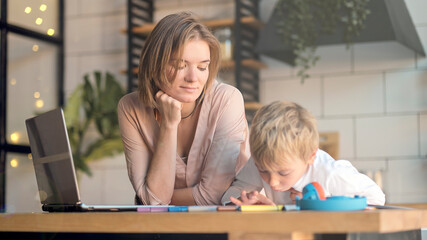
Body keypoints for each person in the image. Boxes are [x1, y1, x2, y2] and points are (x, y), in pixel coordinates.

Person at [117, 12, 250, 206]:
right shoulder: (130, 108)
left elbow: (210, 197)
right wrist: (169, 125)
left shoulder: (227, 100)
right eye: (180, 65)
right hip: (167, 229)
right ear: (154, 64)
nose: (193, 78)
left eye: (202, 67)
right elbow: (153, 201)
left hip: (233, 224)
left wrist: (157, 198)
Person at [221, 101, 385, 206]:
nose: (273, 182)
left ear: (310, 156)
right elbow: (231, 195)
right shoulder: (262, 161)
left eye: (283, 172)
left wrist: (322, 204)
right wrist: (246, 203)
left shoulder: (331, 173)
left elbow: (376, 198)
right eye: (263, 171)